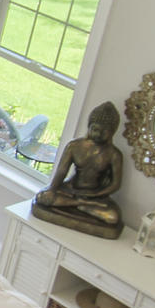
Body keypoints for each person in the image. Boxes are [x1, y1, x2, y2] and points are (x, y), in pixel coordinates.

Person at [33, 101, 125, 239]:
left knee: (113, 217)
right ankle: (82, 205)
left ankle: (81, 204)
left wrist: (95, 194)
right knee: (42, 198)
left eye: (104, 131)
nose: (98, 134)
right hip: (70, 190)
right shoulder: (74, 146)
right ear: (89, 127)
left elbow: (115, 184)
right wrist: (52, 189)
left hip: (95, 195)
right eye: (95, 129)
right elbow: (61, 171)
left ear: (111, 133)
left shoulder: (114, 154)